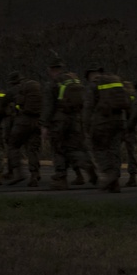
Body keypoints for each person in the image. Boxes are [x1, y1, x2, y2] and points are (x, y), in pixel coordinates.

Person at [41, 59, 96, 190]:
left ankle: (61, 178)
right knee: (75, 147)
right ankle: (87, 164)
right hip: (76, 119)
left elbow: (48, 107)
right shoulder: (75, 80)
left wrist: (44, 125)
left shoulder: (52, 84)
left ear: (51, 70)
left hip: (59, 121)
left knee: (59, 148)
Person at [83, 65, 128, 193]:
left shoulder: (93, 86)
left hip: (102, 123)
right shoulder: (115, 82)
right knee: (114, 150)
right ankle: (115, 182)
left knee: (99, 149)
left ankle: (109, 175)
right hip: (119, 121)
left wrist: (86, 128)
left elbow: (88, 108)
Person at [6, 71, 43, 187]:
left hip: (23, 121)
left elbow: (2, 103)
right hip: (37, 121)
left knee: (13, 145)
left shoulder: (14, 89)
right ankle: (34, 174)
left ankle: (18, 173)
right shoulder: (35, 87)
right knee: (32, 149)